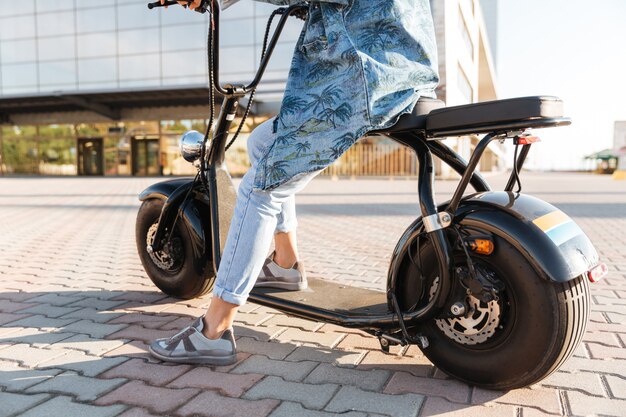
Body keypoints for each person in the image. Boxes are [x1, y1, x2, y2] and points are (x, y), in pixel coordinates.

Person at [149, 0, 439, 365]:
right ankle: (285, 265)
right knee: (262, 143)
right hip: (396, 74)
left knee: (260, 187)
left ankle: (214, 329)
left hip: (361, 80)